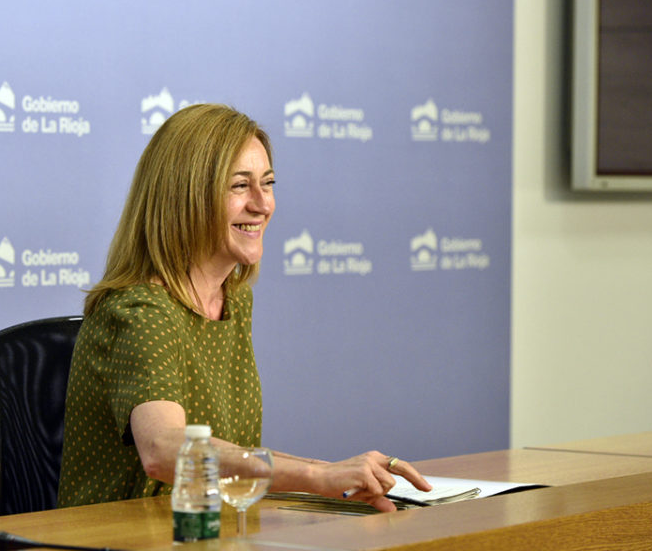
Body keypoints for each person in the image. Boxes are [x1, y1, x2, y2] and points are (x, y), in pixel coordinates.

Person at [56, 103, 430, 512]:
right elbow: (163, 451)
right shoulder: (139, 311)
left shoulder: (234, 300)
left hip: (208, 529)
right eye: (239, 186)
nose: (263, 204)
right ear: (185, 196)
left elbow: (234, 457)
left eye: (267, 183)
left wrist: (337, 473)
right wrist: (316, 477)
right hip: (121, 536)